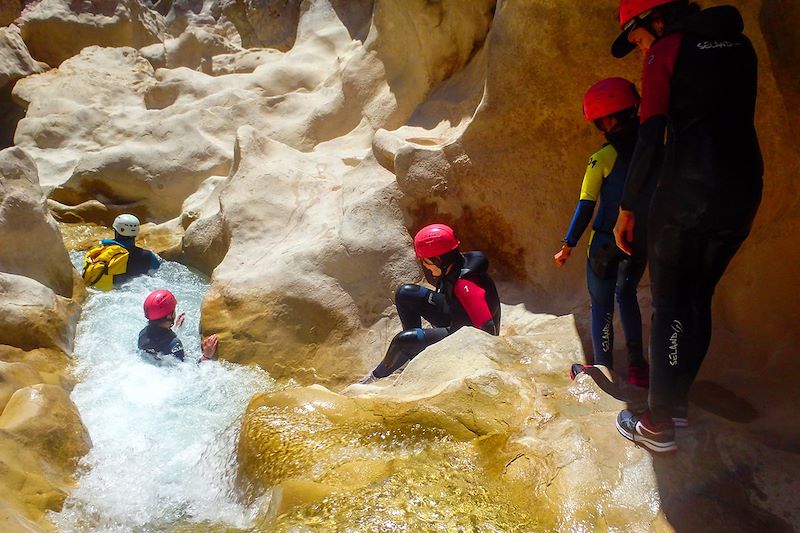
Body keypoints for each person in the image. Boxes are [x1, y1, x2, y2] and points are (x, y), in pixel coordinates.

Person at [609, 0, 763, 452]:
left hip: (686, 193)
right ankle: (675, 405)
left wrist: (628, 206)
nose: (640, 50)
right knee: (698, 299)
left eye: (637, 39)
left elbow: (650, 136)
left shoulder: (667, 51)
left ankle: (657, 425)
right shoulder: (741, 46)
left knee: (669, 304)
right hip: (741, 191)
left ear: (655, 19)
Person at [555, 77, 651, 388]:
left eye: (599, 121)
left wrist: (567, 244)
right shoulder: (655, 151)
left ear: (609, 119)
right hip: (640, 240)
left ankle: (603, 367)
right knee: (628, 296)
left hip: (605, 243)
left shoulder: (601, 158)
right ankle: (638, 367)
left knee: (601, 306)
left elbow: (586, 206)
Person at [358, 224, 501, 384]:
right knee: (406, 293)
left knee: (403, 340)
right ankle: (413, 356)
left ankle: (374, 379)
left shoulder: (464, 284)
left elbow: (487, 329)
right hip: (456, 315)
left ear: (439, 259)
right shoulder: (456, 263)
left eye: (426, 261)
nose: (424, 265)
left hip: (465, 337)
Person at [138, 289, 218, 364]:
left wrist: (175, 328)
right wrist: (206, 356)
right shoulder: (175, 344)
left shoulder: (143, 333)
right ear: (169, 316)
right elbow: (188, 371)